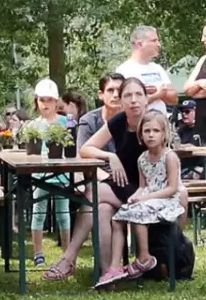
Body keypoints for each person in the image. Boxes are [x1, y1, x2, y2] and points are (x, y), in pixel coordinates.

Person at [63, 76, 149, 282]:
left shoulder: (153, 121)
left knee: (92, 192)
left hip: (145, 189)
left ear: (147, 99)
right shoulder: (119, 121)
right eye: (127, 95)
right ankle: (108, 273)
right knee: (101, 209)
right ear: (122, 100)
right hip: (122, 185)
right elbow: (86, 149)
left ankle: (69, 257)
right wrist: (111, 156)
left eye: (138, 95)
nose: (133, 100)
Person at [102, 110, 183, 287]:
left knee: (139, 214)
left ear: (164, 134)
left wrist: (146, 198)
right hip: (149, 199)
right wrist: (135, 197)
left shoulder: (169, 157)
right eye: (147, 131)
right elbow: (142, 186)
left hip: (167, 201)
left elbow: (172, 188)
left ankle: (144, 257)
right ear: (140, 134)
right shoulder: (142, 159)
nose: (151, 135)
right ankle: (114, 266)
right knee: (119, 217)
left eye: (155, 131)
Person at [24, 78, 72, 266]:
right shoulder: (32, 126)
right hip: (40, 175)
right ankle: (38, 253)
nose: (46, 104)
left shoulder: (65, 122)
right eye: (42, 100)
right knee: (38, 213)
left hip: (61, 173)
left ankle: (67, 254)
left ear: (56, 101)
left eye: (49, 100)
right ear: (37, 101)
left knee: (63, 212)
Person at [115, 27, 174, 108]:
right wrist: (157, 95)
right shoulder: (124, 70)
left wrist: (156, 91)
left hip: (161, 119)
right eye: (154, 41)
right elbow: (123, 104)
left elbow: (174, 98)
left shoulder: (158, 68)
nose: (158, 44)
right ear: (140, 44)